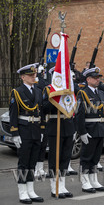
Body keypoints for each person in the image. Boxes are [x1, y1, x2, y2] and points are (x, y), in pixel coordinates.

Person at [10, 64, 45, 204]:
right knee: (23, 162)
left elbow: (40, 112)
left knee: (33, 162)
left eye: (34, 75)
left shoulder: (37, 91)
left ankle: (31, 190)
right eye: (30, 75)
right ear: (23, 77)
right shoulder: (17, 92)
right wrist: (15, 133)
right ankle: (22, 191)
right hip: (24, 130)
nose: (33, 77)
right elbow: (13, 114)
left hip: (35, 129)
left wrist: (41, 129)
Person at [42, 66, 74, 198]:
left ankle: (62, 185)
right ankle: (54, 186)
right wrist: (56, 96)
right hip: (55, 125)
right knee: (55, 157)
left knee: (66, 157)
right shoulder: (48, 89)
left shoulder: (70, 88)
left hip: (68, 125)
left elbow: (73, 103)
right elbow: (44, 108)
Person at [76, 67, 104, 193]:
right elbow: (79, 114)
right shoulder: (82, 93)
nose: (97, 80)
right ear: (88, 79)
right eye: (95, 78)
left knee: (96, 157)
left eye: (98, 77)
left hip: (99, 128)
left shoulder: (100, 93)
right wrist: (82, 132)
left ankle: (93, 180)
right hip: (89, 129)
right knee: (86, 157)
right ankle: (85, 181)